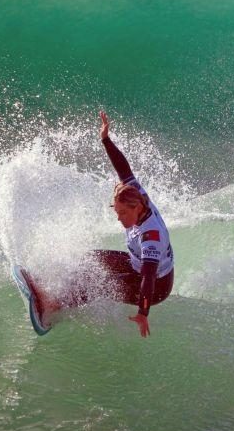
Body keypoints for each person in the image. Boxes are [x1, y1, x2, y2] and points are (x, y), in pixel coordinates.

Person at [28, 111, 175, 337]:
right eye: (117, 212)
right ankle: (53, 287)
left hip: (155, 287)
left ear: (136, 208)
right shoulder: (137, 195)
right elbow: (123, 169)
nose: (119, 218)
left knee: (99, 286)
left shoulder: (151, 237)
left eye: (123, 213)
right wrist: (105, 140)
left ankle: (53, 307)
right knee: (91, 260)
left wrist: (143, 312)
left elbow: (147, 278)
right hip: (137, 264)